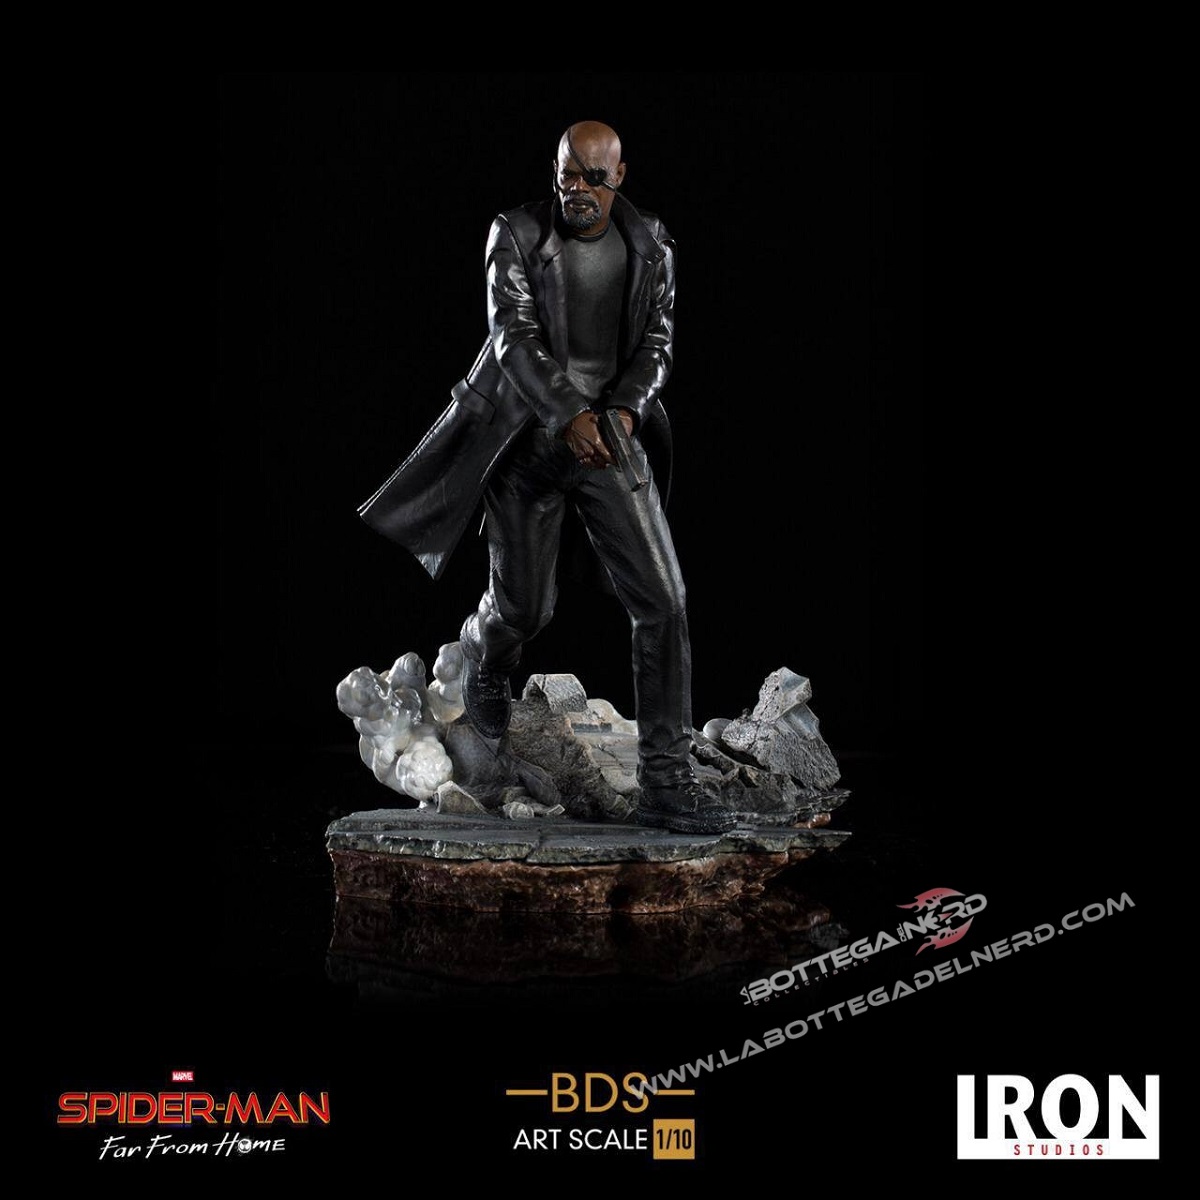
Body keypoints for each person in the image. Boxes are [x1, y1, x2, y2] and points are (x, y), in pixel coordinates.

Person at [359, 121, 734, 834]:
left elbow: (657, 343)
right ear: (555, 170)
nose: (578, 190)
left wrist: (623, 412)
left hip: (612, 442)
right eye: (568, 174)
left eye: (594, 177)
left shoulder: (651, 242)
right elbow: (513, 337)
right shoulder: (517, 234)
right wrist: (569, 416)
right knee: (526, 610)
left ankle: (666, 779)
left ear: (619, 177)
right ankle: (482, 649)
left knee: (664, 602)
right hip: (526, 443)